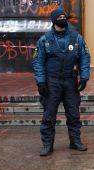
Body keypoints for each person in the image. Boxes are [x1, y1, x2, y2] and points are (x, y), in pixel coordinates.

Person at [32, 8, 90, 156]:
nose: (63, 20)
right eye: (60, 18)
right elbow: (38, 62)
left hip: (70, 81)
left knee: (73, 113)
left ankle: (75, 141)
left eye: (65, 18)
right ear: (54, 21)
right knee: (49, 115)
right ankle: (47, 144)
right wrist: (41, 82)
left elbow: (84, 57)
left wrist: (84, 77)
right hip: (52, 83)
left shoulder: (76, 38)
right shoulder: (45, 40)